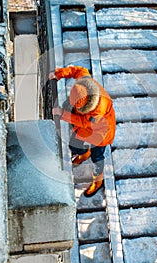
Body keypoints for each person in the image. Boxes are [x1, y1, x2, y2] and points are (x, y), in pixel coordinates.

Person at [49, 65, 116, 197]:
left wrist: (62, 113)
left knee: (97, 157)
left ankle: (98, 180)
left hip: (101, 135)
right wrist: (59, 73)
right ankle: (84, 153)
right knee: (75, 146)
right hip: (84, 129)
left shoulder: (97, 112)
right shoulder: (85, 82)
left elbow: (83, 122)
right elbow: (78, 70)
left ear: (85, 108)